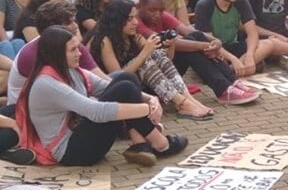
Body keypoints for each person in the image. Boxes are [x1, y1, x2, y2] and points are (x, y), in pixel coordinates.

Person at [18, 25, 187, 166]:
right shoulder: (47, 83)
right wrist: (146, 108)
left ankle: (142, 144)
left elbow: (106, 86)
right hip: (72, 152)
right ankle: (161, 144)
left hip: (80, 132)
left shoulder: (69, 69)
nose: (79, 53)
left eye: (78, 47)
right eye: (73, 50)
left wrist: (150, 98)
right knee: (125, 87)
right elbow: (98, 112)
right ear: (56, 54)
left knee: (125, 79)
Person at [89, 0, 218, 117]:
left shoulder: (133, 36)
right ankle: (182, 102)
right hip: (115, 88)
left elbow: (165, 59)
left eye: (135, 17)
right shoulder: (104, 40)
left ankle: (188, 99)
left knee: (156, 54)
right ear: (116, 20)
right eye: (129, 19)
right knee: (145, 61)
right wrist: (145, 52)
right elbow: (117, 77)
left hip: (142, 83)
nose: (135, 22)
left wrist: (171, 45)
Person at [137, 0, 258, 106]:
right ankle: (223, 89)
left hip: (168, 68)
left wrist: (216, 42)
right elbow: (167, 42)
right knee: (189, 47)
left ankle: (232, 82)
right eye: (152, 10)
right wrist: (206, 45)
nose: (157, 14)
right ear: (139, 7)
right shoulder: (136, 23)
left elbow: (189, 31)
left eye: (161, 10)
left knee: (195, 37)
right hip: (151, 79)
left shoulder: (161, 15)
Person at [194, 0, 273, 80]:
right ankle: (239, 66)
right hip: (214, 49)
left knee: (268, 44)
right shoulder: (204, 5)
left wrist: (249, 55)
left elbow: (252, 32)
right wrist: (233, 59)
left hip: (233, 45)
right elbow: (208, 42)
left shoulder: (241, 1)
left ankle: (230, 70)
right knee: (208, 58)